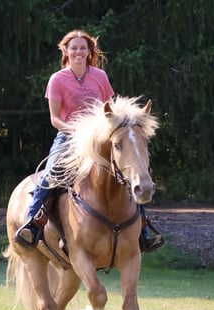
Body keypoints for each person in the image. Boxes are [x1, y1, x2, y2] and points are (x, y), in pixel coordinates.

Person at [14, 29, 163, 252]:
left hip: (98, 139)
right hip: (68, 137)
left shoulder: (100, 77)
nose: (78, 51)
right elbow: (55, 119)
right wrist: (76, 130)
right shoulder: (57, 79)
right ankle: (32, 225)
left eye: (82, 47)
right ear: (65, 50)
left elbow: (111, 112)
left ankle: (143, 230)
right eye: (73, 47)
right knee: (50, 173)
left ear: (89, 51)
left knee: (128, 172)